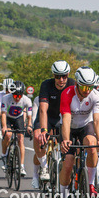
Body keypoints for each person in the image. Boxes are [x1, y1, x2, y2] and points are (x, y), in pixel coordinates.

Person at [58, 67, 99, 198]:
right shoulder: (67, 94)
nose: (88, 90)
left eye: (91, 87)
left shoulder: (96, 95)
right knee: (68, 163)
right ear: (78, 84)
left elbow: (98, 119)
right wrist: (66, 139)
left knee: (93, 145)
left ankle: (91, 184)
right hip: (69, 128)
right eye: (85, 87)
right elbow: (66, 119)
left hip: (86, 126)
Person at [32, 60, 74, 190]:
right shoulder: (46, 85)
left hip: (64, 117)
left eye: (64, 76)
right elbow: (43, 109)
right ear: (53, 75)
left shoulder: (73, 84)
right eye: (57, 76)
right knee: (39, 137)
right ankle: (43, 168)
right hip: (48, 117)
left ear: (68, 75)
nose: (61, 80)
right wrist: (44, 130)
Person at [0, 81, 33, 176]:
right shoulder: (6, 98)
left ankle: (21, 166)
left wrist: (29, 125)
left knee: (21, 139)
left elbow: (29, 116)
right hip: (8, 118)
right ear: (12, 94)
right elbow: (3, 114)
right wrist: (4, 127)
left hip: (19, 118)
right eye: (15, 96)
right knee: (8, 135)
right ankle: (3, 156)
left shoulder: (27, 100)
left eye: (19, 96)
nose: (17, 98)